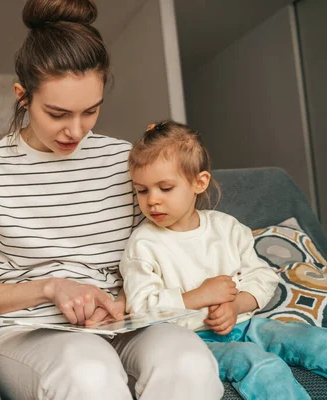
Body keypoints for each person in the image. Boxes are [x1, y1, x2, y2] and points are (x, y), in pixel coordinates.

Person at [0, 1, 224, 399]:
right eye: (57, 113)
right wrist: (50, 288)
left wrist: (122, 301)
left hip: (126, 324)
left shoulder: (126, 161)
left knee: (189, 359)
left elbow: (160, 253)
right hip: (26, 334)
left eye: (90, 111)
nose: (76, 130)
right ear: (23, 96)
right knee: (87, 368)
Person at [120, 120, 327, 400]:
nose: (152, 200)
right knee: (262, 366)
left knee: (314, 341)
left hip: (247, 324)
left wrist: (237, 304)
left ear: (199, 182)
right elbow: (141, 308)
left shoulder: (226, 228)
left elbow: (262, 276)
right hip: (196, 341)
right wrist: (198, 296)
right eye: (142, 190)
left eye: (165, 188)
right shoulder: (143, 244)